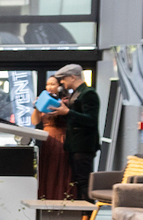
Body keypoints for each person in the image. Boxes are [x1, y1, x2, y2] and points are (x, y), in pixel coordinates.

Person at [51, 64, 101, 201]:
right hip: (76, 144)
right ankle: (83, 214)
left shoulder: (88, 93)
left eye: (63, 79)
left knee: (84, 181)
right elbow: (74, 117)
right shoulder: (77, 93)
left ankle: (87, 216)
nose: (62, 82)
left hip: (83, 145)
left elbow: (91, 120)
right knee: (78, 181)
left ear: (73, 77)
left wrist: (67, 112)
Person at [31, 74, 74, 200]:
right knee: (48, 170)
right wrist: (37, 107)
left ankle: (60, 198)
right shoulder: (44, 100)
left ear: (60, 87)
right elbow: (34, 121)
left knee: (60, 169)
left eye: (53, 84)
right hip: (47, 140)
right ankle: (46, 198)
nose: (49, 87)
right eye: (47, 84)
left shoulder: (65, 101)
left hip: (60, 139)